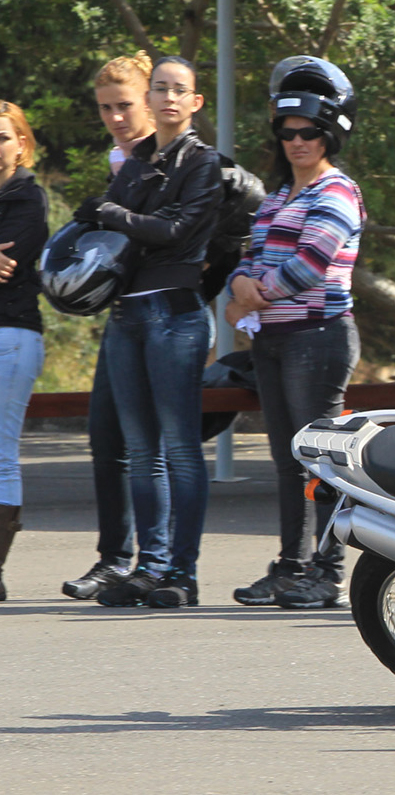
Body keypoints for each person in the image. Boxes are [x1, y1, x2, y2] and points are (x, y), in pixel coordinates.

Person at [74, 55, 222, 608]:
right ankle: (149, 566)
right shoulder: (136, 160)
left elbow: (175, 231)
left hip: (175, 313)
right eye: (160, 88)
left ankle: (182, 573)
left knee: (180, 448)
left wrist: (111, 213)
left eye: (179, 90)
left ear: (194, 102)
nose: (168, 98)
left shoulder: (205, 162)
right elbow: (121, 236)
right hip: (127, 314)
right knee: (141, 451)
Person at [228, 56, 363, 609]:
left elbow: (310, 263)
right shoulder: (277, 199)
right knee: (288, 461)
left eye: (308, 132)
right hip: (276, 341)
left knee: (319, 459)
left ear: (328, 134)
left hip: (319, 337)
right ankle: (289, 566)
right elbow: (246, 255)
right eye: (288, 133)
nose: (297, 141)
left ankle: (326, 573)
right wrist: (242, 284)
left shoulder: (338, 192)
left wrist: (250, 293)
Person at [62, 51, 156, 601]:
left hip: (165, 319)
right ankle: (113, 558)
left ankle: (158, 562)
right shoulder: (115, 161)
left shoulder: (161, 159)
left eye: (125, 106)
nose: (116, 118)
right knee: (105, 438)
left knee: (152, 448)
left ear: (147, 102)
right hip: (121, 317)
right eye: (105, 108)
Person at [0, 101, 49, 601]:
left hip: (10, 337)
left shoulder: (27, 198)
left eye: (1, 138)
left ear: (21, 145)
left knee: (1, 456)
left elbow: (7, 262)